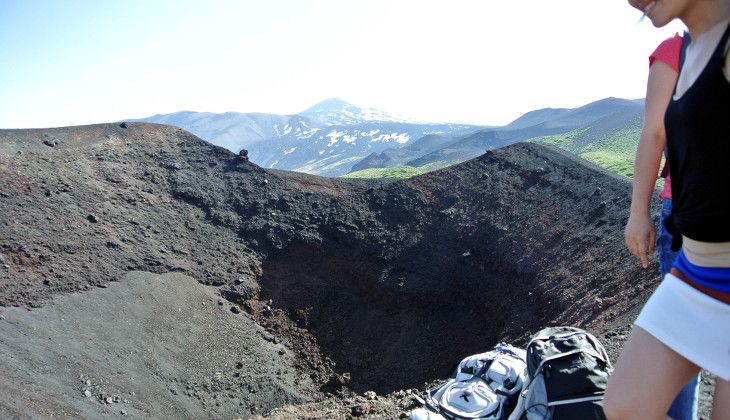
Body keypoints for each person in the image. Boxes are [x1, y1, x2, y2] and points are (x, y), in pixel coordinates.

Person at [604, 0, 730, 419]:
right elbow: (655, 133)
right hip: (693, 268)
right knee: (625, 407)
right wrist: (638, 211)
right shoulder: (687, 47)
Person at [623, 32, 700, 420]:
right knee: (682, 343)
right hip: (689, 217)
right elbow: (655, 134)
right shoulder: (675, 51)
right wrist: (640, 213)